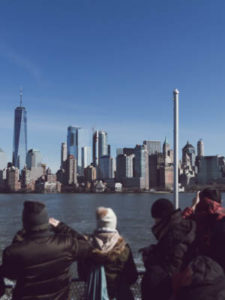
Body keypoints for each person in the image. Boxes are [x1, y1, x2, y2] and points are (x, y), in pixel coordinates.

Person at [0, 200, 92, 300]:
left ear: (24, 222)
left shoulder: (12, 252)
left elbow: (10, 274)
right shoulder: (66, 244)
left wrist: (20, 236)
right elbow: (86, 246)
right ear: (46, 221)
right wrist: (61, 226)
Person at [78, 206, 138, 300]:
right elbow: (132, 276)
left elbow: (82, 275)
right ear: (114, 224)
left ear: (98, 223)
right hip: (119, 295)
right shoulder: (124, 248)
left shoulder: (86, 248)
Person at [141, 198, 196, 300]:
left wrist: (149, 259)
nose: (154, 223)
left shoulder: (172, 237)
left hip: (174, 289)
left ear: (161, 218)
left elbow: (171, 267)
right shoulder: (185, 227)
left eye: (155, 219)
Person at [183, 188, 225, 257]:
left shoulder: (198, 219)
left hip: (203, 263)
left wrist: (193, 206)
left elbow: (176, 229)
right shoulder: (221, 217)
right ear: (220, 202)